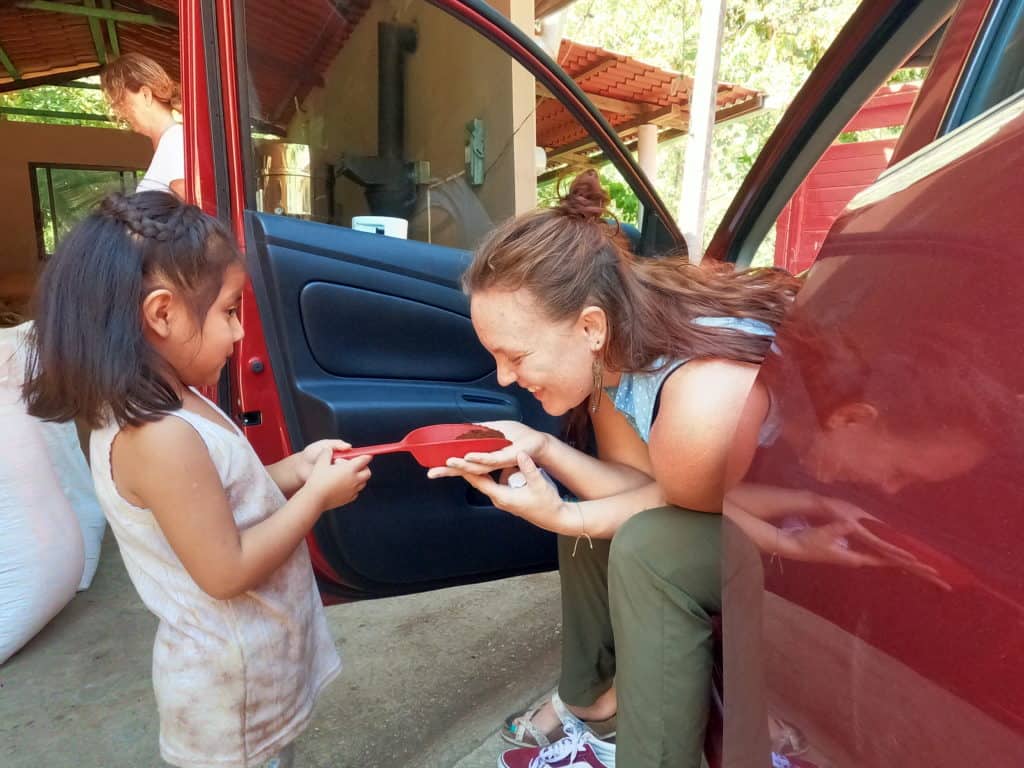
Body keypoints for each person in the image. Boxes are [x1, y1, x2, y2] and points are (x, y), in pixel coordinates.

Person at [428, 170, 800, 768]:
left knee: (647, 547)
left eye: (514, 356)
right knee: (585, 519)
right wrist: (540, 449)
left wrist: (563, 513)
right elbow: (642, 488)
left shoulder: (697, 405)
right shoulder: (615, 359)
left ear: (591, 326)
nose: (502, 378)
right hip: (735, 511)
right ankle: (597, 710)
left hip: (819, 542)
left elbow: (666, 513)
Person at [22, 191, 373, 768]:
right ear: (162, 314)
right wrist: (315, 500)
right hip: (228, 693)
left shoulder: (178, 404)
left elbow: (229, 494)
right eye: (230, 311)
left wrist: (298, 470)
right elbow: (225, 568)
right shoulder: (158, 436)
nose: (239, 335)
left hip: (249, 668)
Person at [101, 53, 186, 198]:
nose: (120, 113)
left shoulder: (175, 140)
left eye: (121, 102)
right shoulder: (170, 141)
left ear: (146, 94)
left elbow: (192, 204)